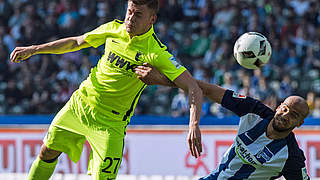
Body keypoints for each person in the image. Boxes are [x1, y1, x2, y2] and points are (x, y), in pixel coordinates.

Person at [10, 0, 203, 179]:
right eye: (129, 12)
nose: (130, 18)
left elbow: (194, 87)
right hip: (80, 105)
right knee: (47, 151)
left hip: (110, 124)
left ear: (152, 19)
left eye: (138, 15)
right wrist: (34, 49)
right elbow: (76, 42)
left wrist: (193, 125)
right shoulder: (113, 28)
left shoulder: (156, 52)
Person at [135, 64, 310, 179]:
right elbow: (207, 90)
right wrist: (160, 79)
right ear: (278, 107)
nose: (286, 115)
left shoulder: (291, 156)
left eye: (293, 115)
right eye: (285, 108)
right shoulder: (253, 110)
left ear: (299, 123)